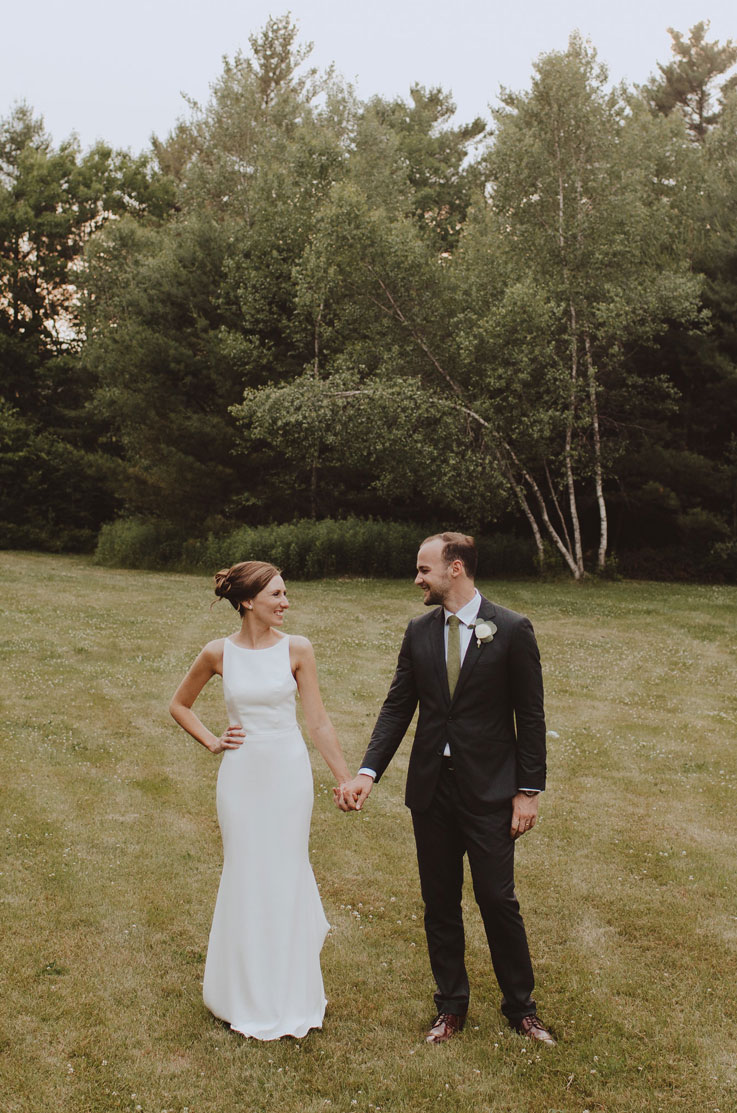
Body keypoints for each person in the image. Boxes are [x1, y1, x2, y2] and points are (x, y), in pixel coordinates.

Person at [336, 532, 555, 1046]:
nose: (417, 579)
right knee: (439, 902)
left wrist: (528, 790)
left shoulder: (512, 629)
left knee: (497, 898)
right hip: (432, 790)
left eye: (424, 570)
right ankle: (451, 1006)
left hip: (491, 790)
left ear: (455, 569)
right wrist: (368, 772)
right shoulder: (418, 631)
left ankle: (521, 1008)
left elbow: (532, 715)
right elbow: (397, 707)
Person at [170, 560, 351, 1040]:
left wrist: (344, 778)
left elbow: (318, 723)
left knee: (286, 870)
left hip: (288, 775)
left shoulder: (298, 649)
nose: (286, 602)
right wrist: (212, 741)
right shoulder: (217, 653)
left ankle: (292, 992)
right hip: (241, 777)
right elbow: (179, 704)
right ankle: (240, 992)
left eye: (285, 593)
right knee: (246, 873)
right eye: (277, 595)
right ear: (248, 601)